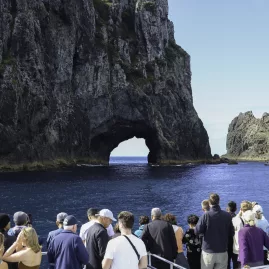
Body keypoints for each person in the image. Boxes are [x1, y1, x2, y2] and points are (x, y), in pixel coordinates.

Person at [195, 193, 234, 269]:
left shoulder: (205, 216)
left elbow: (197, 231)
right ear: (219, 201)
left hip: (208, 251)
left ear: (209, 203)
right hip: (222, 250)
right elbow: (231, 233)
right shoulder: (227, 215)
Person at [232, 200, 252, 269]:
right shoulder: (252, 219)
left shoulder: (236, 220)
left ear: (241, 209)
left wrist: (238, 214)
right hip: (248, 251)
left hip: (237, 250)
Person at [226, 201, 237, 269]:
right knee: (235, 262)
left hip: (226, 243)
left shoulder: (224, 217)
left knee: (227, 263)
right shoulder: (238, 218)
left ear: (227, 208)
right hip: (235, 243)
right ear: (235, 209)